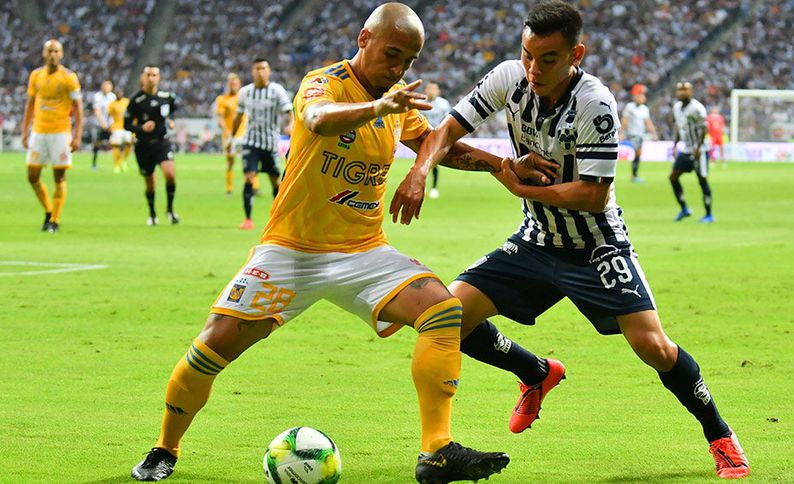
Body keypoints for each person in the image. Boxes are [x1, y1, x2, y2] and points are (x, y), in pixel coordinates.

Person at [131, 4, 515, 483]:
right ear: (364, 39)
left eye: (409, 61)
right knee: (213, 345)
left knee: (442, 310)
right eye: (392, 54)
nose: (398, 68)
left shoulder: (396, 101)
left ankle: (437, 450)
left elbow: (437, 145)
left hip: (363, 251)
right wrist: (378, 108)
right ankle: (165, 448)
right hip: (291, 251)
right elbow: (318, 119)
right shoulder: (324, 83)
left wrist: (501, 166)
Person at [389, 2, 749, 479]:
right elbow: (446, 130)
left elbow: (594, 196)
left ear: (575, 54)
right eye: (527, 55)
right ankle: (536, 372)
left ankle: (720, 435)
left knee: (654, 347)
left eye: (548, 59)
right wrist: (420, 170)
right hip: (536, 240)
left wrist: (524, 188)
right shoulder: (509, 78)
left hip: (595, 246)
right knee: (447, 317)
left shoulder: (595, 103)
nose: (533, 69)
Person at [21, 39, 84, 233]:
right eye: (49, 51)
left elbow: (78, 108)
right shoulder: (36, 75)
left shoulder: (69, 77)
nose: (53, 55)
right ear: (44, 53)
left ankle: (55, 219)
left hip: (60, 132)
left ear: (61, 54)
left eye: (56, 51)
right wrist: (24, 131)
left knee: (59, 176)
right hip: (39, 131)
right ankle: (48, 211)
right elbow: (30, 104)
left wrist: (77, 135)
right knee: (32, 176)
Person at [231, 59, 292, 229]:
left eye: (263, 68)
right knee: (249, 177)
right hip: (250, 142)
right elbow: (238, 116)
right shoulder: (245, 92)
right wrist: (231, 137)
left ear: (269, 71)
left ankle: (279, 219)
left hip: (270, 143)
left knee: (275, 181)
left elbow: (289, 111)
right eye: (257, 68)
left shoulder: (276, 90)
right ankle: (248, 219)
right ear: (252, 71)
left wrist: (290, 125)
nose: (260, 72)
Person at [124, 66, 179, 226]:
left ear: (159, 78)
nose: (151, 78)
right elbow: (126, 124)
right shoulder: (136, 100)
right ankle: (152, 213)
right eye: (148, 75)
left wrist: (171, 120)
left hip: (162, 142)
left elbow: (172, 110)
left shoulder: (166, 97)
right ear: (143, 77)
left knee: (170, 174)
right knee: (150, 182)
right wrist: (141, 128)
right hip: (143, 145)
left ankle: (170, 209)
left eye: (154, 75)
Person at [670, 81, 713, 223]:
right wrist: (675, 144)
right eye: (680, 90)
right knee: (673, 177)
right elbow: (679, 126)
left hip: (699, 150)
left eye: (685, 90)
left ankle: (709, 214)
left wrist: (698, 148)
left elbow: (703, 128)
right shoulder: (676, 107)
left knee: (702, 180)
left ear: (691, 91)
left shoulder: (697, 108)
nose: (682, 92)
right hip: (686, 149)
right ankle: (684, 209)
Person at [214, 73, 247, 195]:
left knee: (248, 160)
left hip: (243, 133)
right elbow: (220, 117)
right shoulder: (222, 99)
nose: (234, 86)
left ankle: (253, 187)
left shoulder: (244, 97)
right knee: (230, 161)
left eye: (236, 83)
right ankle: (229, 188)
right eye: (232, 84)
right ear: (228, 85)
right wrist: (226, 132)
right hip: (229, 135)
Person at [620, 83, 658, 183]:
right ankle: (634, 175)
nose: (643, 97)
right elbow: (625, 120)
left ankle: (634, 175)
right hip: (632, 134)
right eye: (641, 95)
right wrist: (622, 132)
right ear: (636, 96)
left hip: (640, 135)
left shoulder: (644, 109)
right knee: (637, 153)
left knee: (638, 154)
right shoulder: (630, 107)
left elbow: (648, 122)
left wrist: (653, 133)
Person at [423, 81, 451, 199]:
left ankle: (433, 188)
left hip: (437, 137)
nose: (431, 91)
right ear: (425, 90)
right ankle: (422, 186)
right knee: (422, 162)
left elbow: (448, 120)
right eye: (429, 88)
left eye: (434, 88)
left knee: (433, 162)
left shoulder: (444, 104)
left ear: (438, 91)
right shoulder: (419, 102)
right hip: (422, 136)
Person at [91, 80, 116, 170]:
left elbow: (114, 111)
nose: (106, 88)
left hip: (110, 125)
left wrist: (112, 124)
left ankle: (117, 163)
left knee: (115, 142)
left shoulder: (112, 96)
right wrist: (103, 124)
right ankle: (94, 163)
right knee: (97, 143)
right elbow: (97, 111)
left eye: (108, 86)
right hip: (99, 125)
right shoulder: (97, 96)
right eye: (105, 86)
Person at [107, 89, 132, 173]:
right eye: (117, 93)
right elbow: (109, 116)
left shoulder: (127, 102)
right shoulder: (112, 104)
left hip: (127, 126)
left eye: (120, 93)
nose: (119, 95)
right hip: (117, 127)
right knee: (116, 146)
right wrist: (109, 125)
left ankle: (123, 159)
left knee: (129, 143)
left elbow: (133, 113)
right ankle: (116, 165)